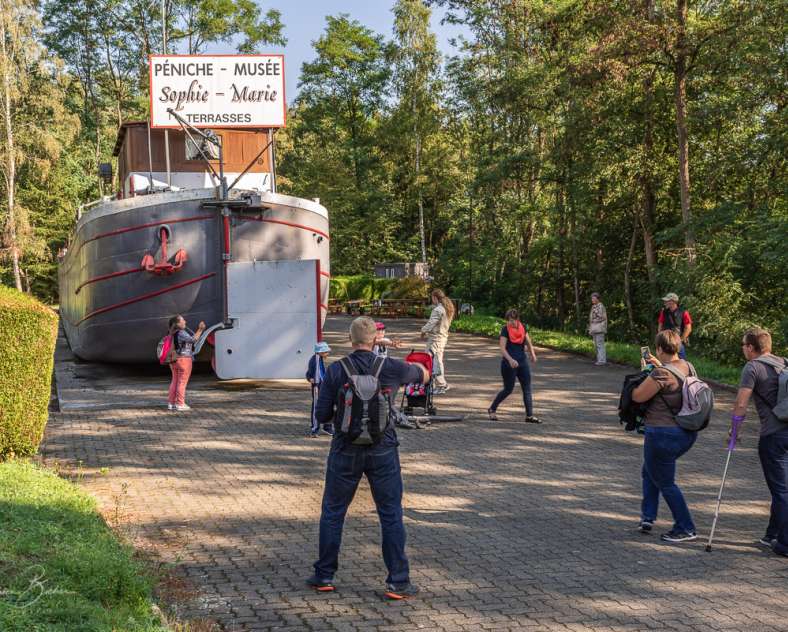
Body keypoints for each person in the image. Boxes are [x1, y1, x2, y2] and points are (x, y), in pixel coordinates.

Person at [306, 317, 429, 599]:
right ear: (375, 340)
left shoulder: (337, 370)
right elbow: (422, 375)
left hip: (344, 449)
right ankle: (398, 581)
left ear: (350, 340)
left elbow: (322, 415)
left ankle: (324, 575)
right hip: (383, 449)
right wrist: (421, 367)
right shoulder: (392, 367)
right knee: (390, 514)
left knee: (333, 512)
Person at [632, 330, 698, 542]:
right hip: (685, 432)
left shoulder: (660, 374)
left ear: (660, 349)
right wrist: (656, 366)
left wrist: (648, 373)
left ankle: (685, 527)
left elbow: (638, 396)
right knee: (649, 470)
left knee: (665, 481)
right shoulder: (688, 367)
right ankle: (648, 516)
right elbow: (673, 382)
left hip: (662, 434)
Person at [728, 327, 788, 557]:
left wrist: (734, 431)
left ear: (751, 348)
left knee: (781, 491)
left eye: (744, 345)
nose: (742, 349)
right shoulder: (783, 363)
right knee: (782, 489)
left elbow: (741, 403)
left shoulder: (752, 367)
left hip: (774, 436)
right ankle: (772, 534)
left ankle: (784, 544)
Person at [487, 308, 541, 424]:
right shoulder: (505, 330)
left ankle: (529, 416)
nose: (512, 322)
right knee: (508, 389)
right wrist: (510, 360)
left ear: (518, 319)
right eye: (510, 320)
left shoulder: (523, 328)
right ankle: (492, 409)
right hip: (508, 364)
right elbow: (502, 348)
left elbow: (528, 342)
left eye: (513, 320)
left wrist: (532, 354)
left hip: (522, 362)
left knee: (527, 388)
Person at [167, 315, 205, 412]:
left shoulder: (171, 333)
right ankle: (180, 404)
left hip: (173, 360)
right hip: (184, 359)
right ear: (178, 323)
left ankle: (171, 403)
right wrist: (200, 329)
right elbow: (193, 340)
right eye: (183, 320)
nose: (185, 321)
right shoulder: (181, 333)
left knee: (174, 381)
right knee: (182, 382)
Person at [420, 289, 455, 394]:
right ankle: (436, 384)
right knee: (435, 361)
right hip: (442, 337)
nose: (432, 300)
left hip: (435, 339)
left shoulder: (438, 310)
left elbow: (431, 323)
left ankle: (441, 385)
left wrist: (423, 330)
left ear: (435, 297)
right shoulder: (446, 308)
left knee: (434, 361)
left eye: (432, 298)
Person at [306, 341, 333, 437]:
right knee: (317, 407)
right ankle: (314, 429)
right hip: (317, 387)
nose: (327, 354)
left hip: (323, 386)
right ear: (320, 352)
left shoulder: (320, 359)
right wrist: (311, 379)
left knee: (328, 405)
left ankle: (327, 426)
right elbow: (309, 373)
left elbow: (322, 374)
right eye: (326, 352)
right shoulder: (315, 360)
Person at [658, 293, 692, 359]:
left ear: (673, 301)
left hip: (677, 342)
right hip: (666, 341)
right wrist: (660, 338)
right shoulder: (663, 312)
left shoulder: (684, 312)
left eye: (667, 301)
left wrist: (680, 340)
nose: (664, 302)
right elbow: (660, 326)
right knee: (665, 362)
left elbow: (688, 328)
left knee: (681, 362)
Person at [588, 292, 608, 366]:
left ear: (598, 299)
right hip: (594, 328)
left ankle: (602, 360)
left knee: (600, 344)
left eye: (594, 298)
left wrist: (594, 320)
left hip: (599, 327)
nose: (592, 300)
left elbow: (603, 317)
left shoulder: (600, 306)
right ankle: (599, 359)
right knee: (596, 344)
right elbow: (591, 318)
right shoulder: (594, 306)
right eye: (592, 298)